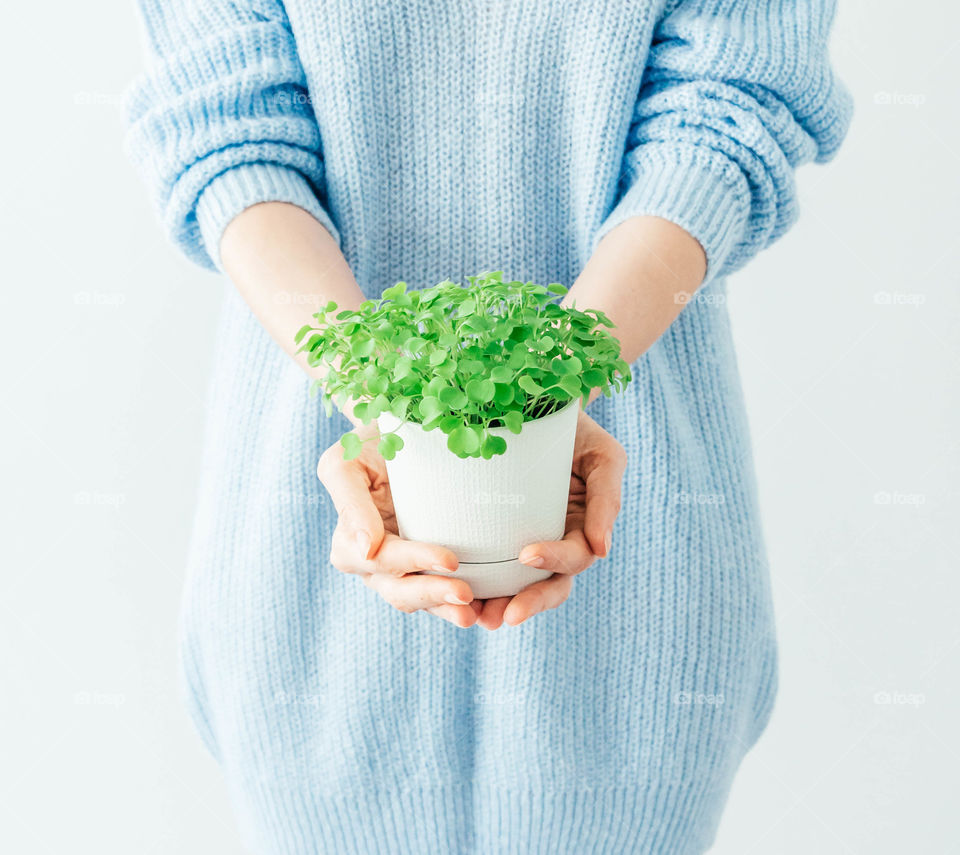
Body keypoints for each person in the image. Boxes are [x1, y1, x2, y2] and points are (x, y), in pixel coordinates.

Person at [126, 0, 850, 851]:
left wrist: (557, 390)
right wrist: (385, 406)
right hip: (318, 533)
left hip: (638, 558)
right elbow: (230, 136)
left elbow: (721, 128)